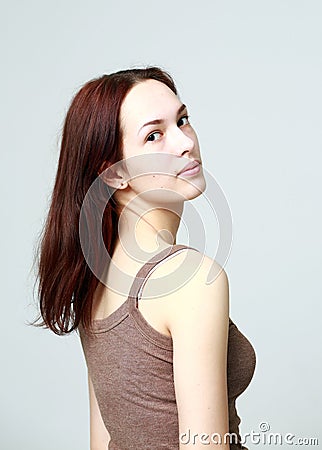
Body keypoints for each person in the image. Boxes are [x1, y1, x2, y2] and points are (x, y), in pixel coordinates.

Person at [32, 67, 256, 449]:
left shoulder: (96, 277)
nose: (185, 142)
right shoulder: (188, 279)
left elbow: (103, 441)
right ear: (113, 173)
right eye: (154, 135)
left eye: (182, 120)